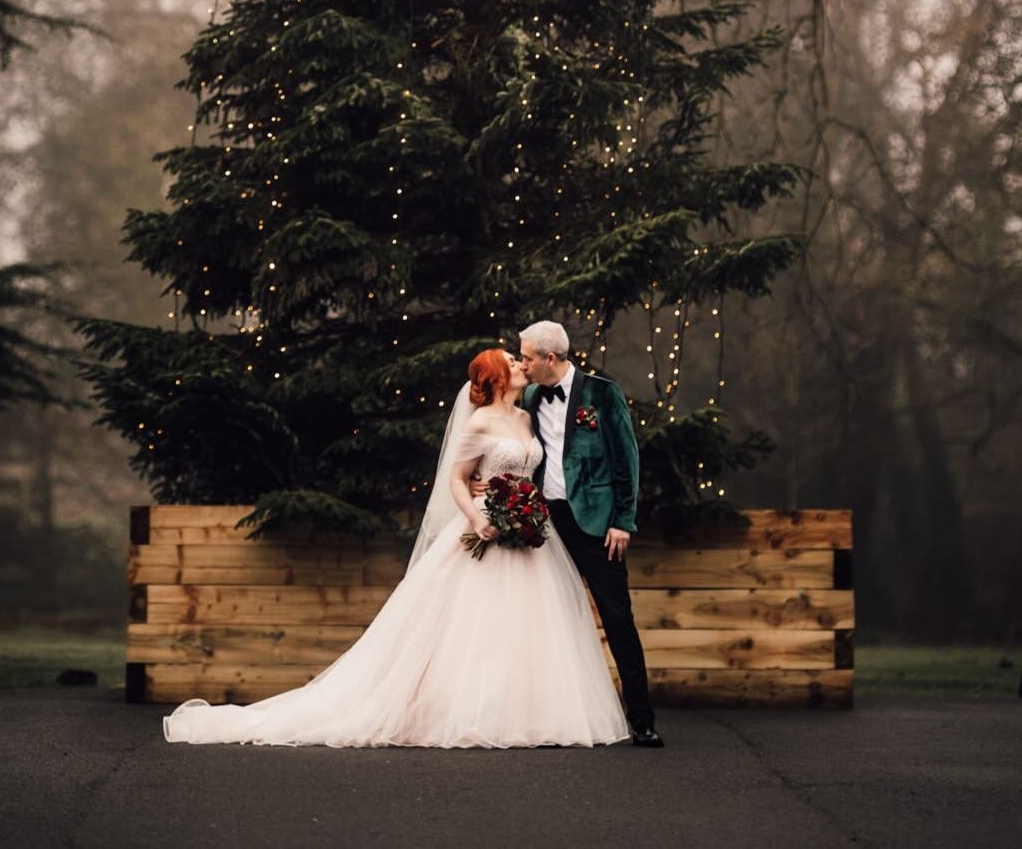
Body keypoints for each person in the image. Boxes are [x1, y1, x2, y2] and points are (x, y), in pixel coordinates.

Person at [161, 347, 630, 748]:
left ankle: (533, 711)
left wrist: (525, 506)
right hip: (486, 526)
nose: (519, 362)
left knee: (532, 625)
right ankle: (464, 710)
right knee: (473, 625)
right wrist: (476, 517)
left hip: (529, 532)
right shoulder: (482, 421)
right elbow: (456, 478)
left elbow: (539, 465)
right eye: (512, 359)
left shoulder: (526, 415)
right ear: (497, 376)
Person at [496, 320, 662, 748]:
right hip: (546, 524)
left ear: (550, 358)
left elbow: (627, 460)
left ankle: (642, 720)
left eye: (528, 356)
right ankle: (551, 719)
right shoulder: (529, 397)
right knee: (548, 618)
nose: (524, 363)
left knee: (618, 617)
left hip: (597, 525)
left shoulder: (603, 394)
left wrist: (623, 521)